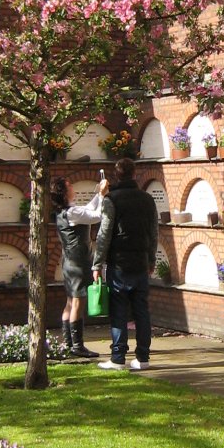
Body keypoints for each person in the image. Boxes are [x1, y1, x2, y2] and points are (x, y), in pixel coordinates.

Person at [92, 156, 159, 370]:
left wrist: (97, 264)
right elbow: (153, 233)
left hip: (119, 263)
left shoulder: (111, 200)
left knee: (119, 311)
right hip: (140, 261)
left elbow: (104, 234)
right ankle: (143, 358)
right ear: (134, 174)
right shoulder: (147, 199)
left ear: (116, 175)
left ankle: (118, 358)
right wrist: (151, 259)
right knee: (142, 311)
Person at [50, 175, 108, 358]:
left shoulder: (66, 212)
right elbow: (96, 216)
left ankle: (68, 344)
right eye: (70, 186)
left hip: (69, 263)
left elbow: (88, 209)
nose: (73, 188)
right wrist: (102, 195)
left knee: (69, 303)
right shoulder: (72, 213)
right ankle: (77, 346)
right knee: (78, 303)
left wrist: (99, 194)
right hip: (79, 264)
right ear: (64, 192)